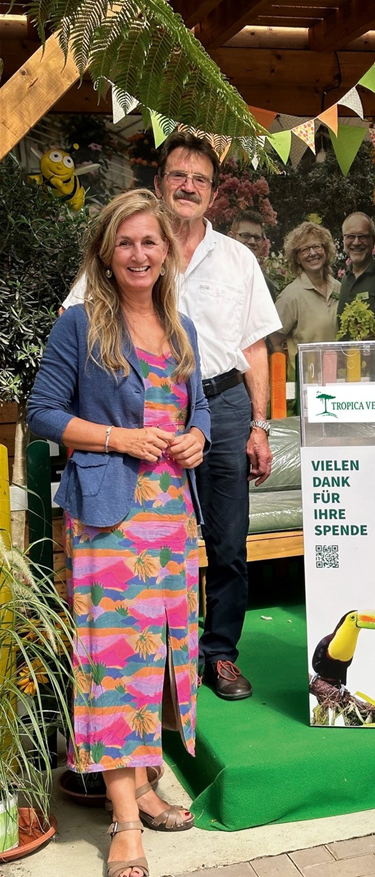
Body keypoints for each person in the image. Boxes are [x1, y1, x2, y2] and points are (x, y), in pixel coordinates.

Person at [28, 189, 211, 877]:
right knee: (114, 662)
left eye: (150, 242)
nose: (139, 254)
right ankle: (125, 820)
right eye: (126, 242)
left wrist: (197, 436)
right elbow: (44, 412)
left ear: (167, 251)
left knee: (160, 656)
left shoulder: (181, 325)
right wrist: (119, 437)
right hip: (110, 515)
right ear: (107, 253)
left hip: (173, 516)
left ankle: (144, 780)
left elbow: (200, 414)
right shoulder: (79, 325)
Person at [62, 133, 282, 703]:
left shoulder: (237, 258)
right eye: (178, 176)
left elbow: (255, 347)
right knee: (152, 542)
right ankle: (154, 662)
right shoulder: (134, 247)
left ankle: (220, 655)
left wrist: (260, 425)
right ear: (160, 184)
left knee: (228, 540)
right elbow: (78, 325)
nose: (188, 186)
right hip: (144, 414)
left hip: (223, 407)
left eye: (200, 180)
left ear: (212, 195)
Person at [270, 222, 340, 378]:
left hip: (340, 377)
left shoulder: (339, 288)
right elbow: (274, 340)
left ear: (326, 250)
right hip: (307, 381)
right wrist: (284, 380)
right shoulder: (290, 296)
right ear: (297, 258)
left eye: (317, 246)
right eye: (305, 250)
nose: (312, 253)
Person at [228, 209, 278, 302]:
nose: (252, 242)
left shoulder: (266, 286)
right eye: (245, 235)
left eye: (257, 237)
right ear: (231, 237)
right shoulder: (216, 274)